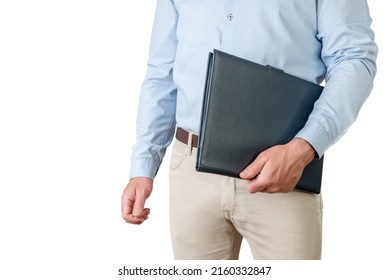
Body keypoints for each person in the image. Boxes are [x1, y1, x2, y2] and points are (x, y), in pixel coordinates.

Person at [122, 0, 378, 260]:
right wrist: (143, 166)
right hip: (190, 171)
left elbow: (354, 59)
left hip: (283, 171)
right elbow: (162, 71)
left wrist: (303, 148)